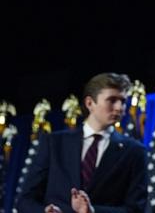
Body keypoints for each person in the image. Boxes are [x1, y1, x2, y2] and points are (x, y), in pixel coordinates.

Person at [17, 72, 147, 213]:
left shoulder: (134, 151)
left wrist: (93, 211)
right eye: (112, 100)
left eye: (123, 101)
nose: (119, 108)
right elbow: (26, 200)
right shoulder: (54, 143)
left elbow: (136, 209)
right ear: (90, 103)